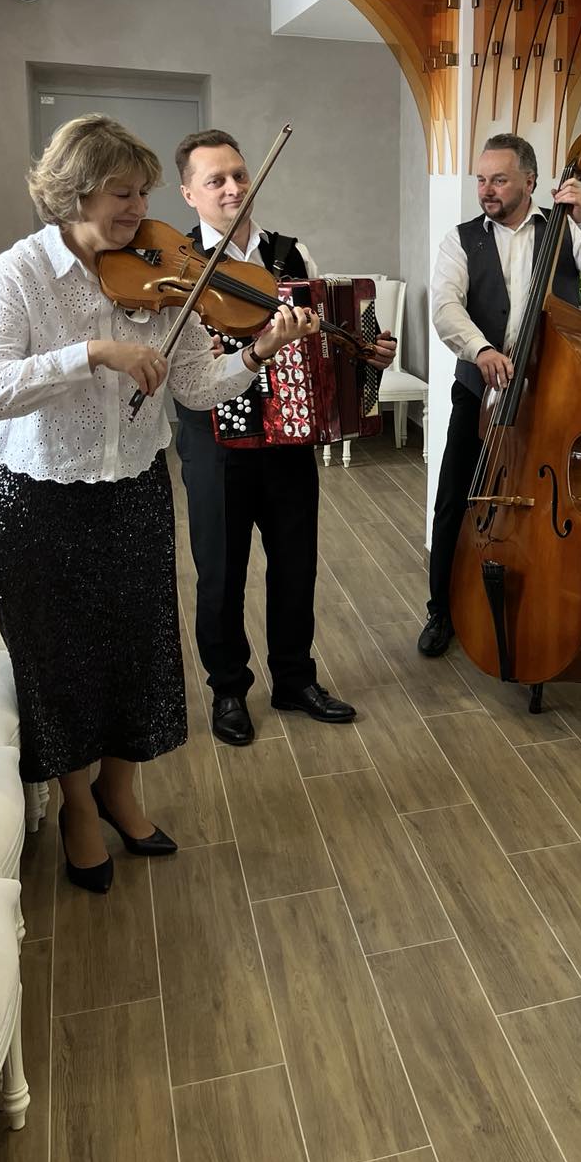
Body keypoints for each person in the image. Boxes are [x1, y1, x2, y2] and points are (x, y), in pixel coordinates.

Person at [0, 114, 319, 892]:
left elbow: (196, 387)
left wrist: (259, 350)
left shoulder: (158, 272)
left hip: (133, 487)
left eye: (144, 192)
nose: (139, 209)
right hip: (36, 495)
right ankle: (77, 808)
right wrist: (92, 353)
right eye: (122, 193)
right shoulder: (22, 272)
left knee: (137, 648)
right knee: (62, 660)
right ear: (75, 192)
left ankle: (120, 792)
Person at [173, 129, 396, 745]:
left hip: (289, 435)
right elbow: (169, 360)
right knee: (220, 574)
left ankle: (295, 679)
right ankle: (228, 689)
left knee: (295, 565)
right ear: (189, 193)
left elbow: (329, 338)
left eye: (239, 175)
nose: (233, 188)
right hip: (215, 443)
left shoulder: (293, 255)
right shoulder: (180, 266)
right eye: (215, 180)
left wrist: (366, 349)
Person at [417, 133, 581, 656]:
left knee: (542, 504)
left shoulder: (564, 230)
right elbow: (446, 307)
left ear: (530, 182)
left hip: (551, 395)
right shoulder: (461, 239)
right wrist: (480, 349)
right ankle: (441, 610)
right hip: (481, 393)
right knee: (455, 499)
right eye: (481, 179)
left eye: (499, 179)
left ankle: (543, 600)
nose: (486, 190)